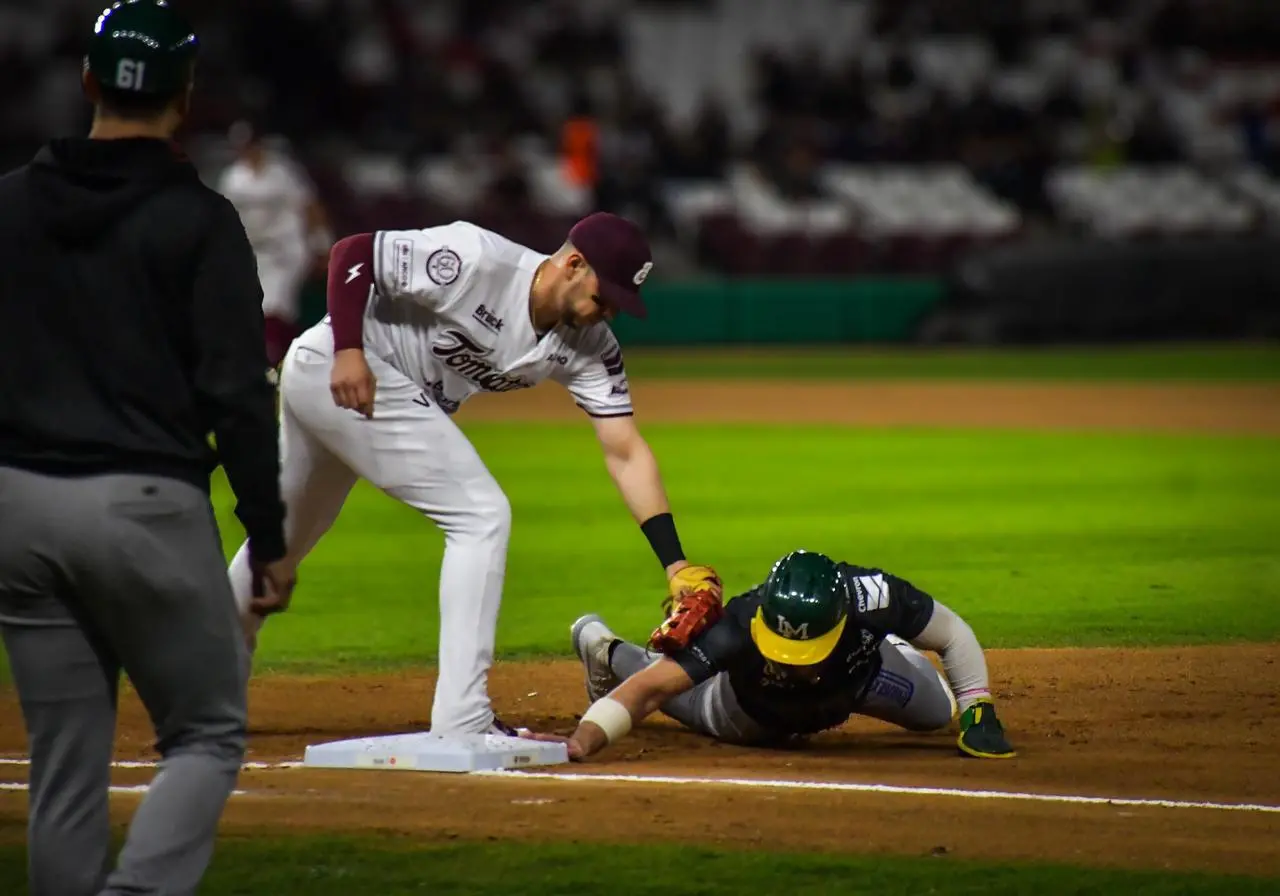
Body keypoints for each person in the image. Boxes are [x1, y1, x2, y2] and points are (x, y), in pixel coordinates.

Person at [225, 211, 721, 740]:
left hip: (354, 391)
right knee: (480, 515)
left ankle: (201, 694)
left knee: (279, 543)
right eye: (606, 297)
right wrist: (349, 350)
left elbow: (625, 452)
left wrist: (675, 564)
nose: (610, 313)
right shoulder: (477, 259)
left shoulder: (590, 344)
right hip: (343, 366)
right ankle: (463, 717)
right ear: (574, 265)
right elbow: (354, 253)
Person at [0, 2, 294, 894]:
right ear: (186, 96)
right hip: (144, 504)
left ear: (88, 80)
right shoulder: (200, 221)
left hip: (16, 507)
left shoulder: (7, 206)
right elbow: (238, 394)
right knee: (205, 733)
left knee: (64, 759)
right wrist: (267, 535)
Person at [544, 549, 1016, 761]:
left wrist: (979, 707)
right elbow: (649, 692)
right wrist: (584, 740)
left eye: (804, 650)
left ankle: (885, 646)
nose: (792, 661)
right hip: (748, 712)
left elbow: (952, 633)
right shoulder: (738, 626)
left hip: (858, 680)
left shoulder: (872, 598)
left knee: (937, 713)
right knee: (673, 688)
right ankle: (605, 648)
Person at [216, 117, 332, 373]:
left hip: (286, 248)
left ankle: (281, 363)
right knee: (257, 306)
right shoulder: (234, 177)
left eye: (250, 144)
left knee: (277, 303)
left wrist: (322, 243)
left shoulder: (283, 172)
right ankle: (276, 361)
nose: (247, 150)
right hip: (256, 250)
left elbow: (310, 207)